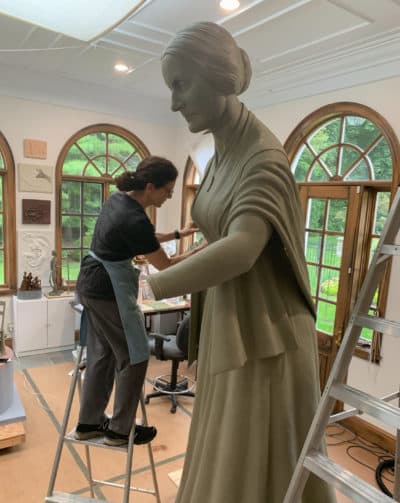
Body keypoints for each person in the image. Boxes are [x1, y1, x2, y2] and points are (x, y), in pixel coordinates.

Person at [146, 22, 337, 502]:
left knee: (251, 459)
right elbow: (218, 235)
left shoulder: (263, 157)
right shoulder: (221, 155)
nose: (174, 102)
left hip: (265, 333)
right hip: (233, 319)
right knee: (224, 448)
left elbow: (242, 247)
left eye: (180, 84)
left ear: (218, 78)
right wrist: (179, 262)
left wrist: (155, 284)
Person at [74, 155, 198, 447]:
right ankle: (119, 430)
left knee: (103, 354)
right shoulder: (134, 218)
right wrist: (200, 251)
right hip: (107, 289)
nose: (169, 195)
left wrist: (181, 233)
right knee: (135, 355)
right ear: (151, 186)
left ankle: (88, 423)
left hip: (90, 284)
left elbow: (147, 239)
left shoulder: (119, 200)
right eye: (167, 190)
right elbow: (165, 264)